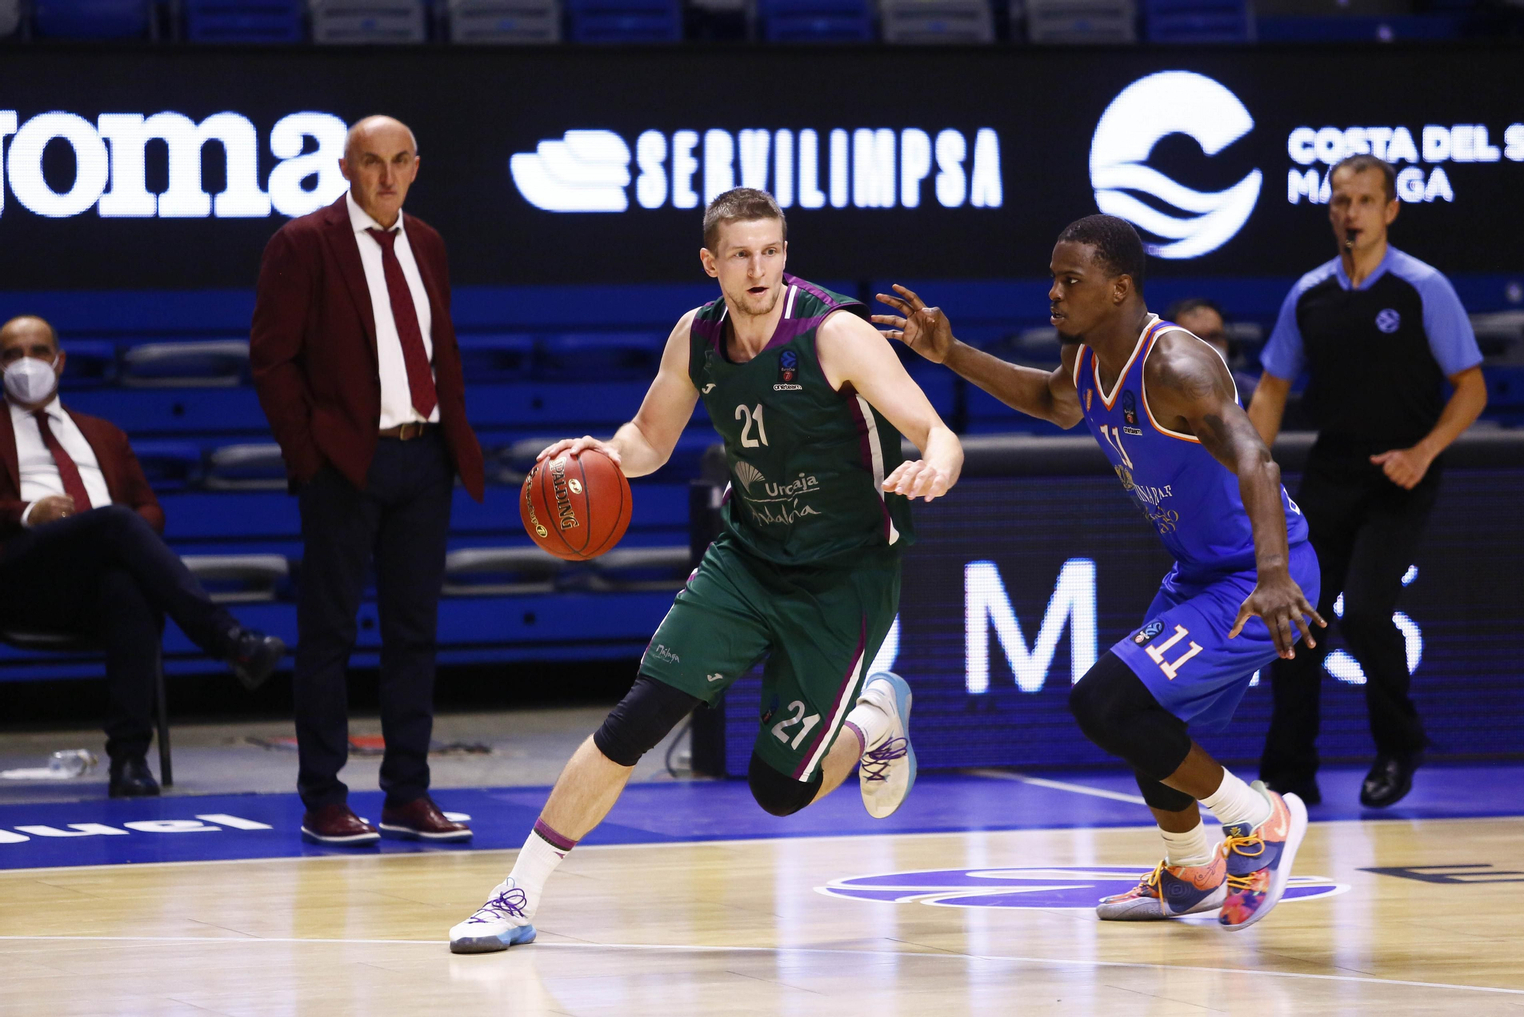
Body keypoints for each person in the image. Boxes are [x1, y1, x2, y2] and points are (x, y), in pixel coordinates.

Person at [447, 187, 964, 953]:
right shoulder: (694, 337)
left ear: (786, 252)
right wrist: (599, 456)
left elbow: (933, 428)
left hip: (844, 575)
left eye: (772, 250)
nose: (759, 268)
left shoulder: (836, 333)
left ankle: (875, 717)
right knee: (639, 717)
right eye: (741, 254)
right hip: (749, 559)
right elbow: (648, 442)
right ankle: (515, 892)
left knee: (778, 788)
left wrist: (938, 464)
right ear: (710, 263)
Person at [877, 214, 1322, 928]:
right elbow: (1051, 402)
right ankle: (1191, 870)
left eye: (1070, 280)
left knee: (1106, 702)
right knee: (1144, 721)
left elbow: (1257, 460)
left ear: (1119, 288)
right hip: (1201, 572)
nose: (1053, 293)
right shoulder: (1085, 358)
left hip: (1258, 572)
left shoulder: (1176, 364)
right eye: (1052, 278)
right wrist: (950, 351)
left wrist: (1274, 574)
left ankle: (1259, 817)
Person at [250, 116, 485, 846]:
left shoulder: (430, 244)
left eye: (398, 161)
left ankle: (406, 795)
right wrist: (308, 454)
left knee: (415, 635)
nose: (386, 176)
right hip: (346, 464)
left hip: (425, 457)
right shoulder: (303, 243)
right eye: (371, 162)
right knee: (328, 635)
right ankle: (323, 797)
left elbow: (438, 346)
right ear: (347, 167)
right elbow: (270, 359)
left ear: (416, 166)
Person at [1249, 154, 1485, 809]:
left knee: (1370, 609)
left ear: (1389, 210)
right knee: (1296, 620)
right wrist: (1245, 472)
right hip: (1331, 470)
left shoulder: (1422, 287)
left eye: (1362, 200)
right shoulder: (1311, 293)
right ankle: (1290, 771)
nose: (1349, 212)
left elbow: (1471, 387)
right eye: (1339, 201)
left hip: (1400, 475)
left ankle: (1399, 746)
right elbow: (1270, 389)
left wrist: (1425, 449)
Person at [0, 316, 286, 798]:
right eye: (12, 354)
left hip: (91, 584)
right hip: (21, 576)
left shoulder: (105, 434)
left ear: (60, 361)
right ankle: (229, 639)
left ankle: (129, 762)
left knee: (130, 590)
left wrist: (126, 534)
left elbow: (149, 507)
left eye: (39, 350)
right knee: (114, 521)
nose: (26, 363)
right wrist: (29, 512)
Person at [1165, 298, 1258, 406]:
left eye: (1214, 337)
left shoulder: (1255, 394)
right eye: (1194, 338)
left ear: (1228, 342)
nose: (1207, 347)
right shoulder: (1152, 397)